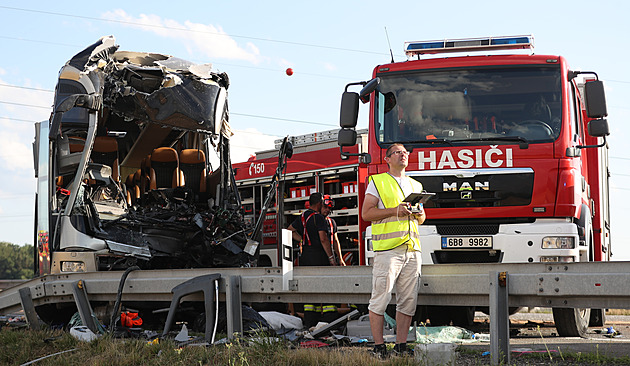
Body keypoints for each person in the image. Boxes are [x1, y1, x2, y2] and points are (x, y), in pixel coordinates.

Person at [361, 143, 426, 358]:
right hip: (388, 251)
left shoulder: (415, 184)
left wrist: (417, 213)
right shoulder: (377, 181)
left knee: (408, 301)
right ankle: (379, 347)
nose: (403, 154)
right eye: (398, 152)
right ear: (387, 159)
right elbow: (366, 214)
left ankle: (401, 346)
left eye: (405, 152)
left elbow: (423, 218)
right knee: (380, 297)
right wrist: (394, 210)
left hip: (412, 249)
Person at [288, 192, 340, 327]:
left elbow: (289, 230)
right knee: (326, 288)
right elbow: (324, 239)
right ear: (319, 204)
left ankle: (311, 323)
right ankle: (329, 322)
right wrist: (331, 258)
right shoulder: (319, 218)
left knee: (311, 291)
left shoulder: (303, 217)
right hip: (320, 257)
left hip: (306, 258)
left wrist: (303, 241)